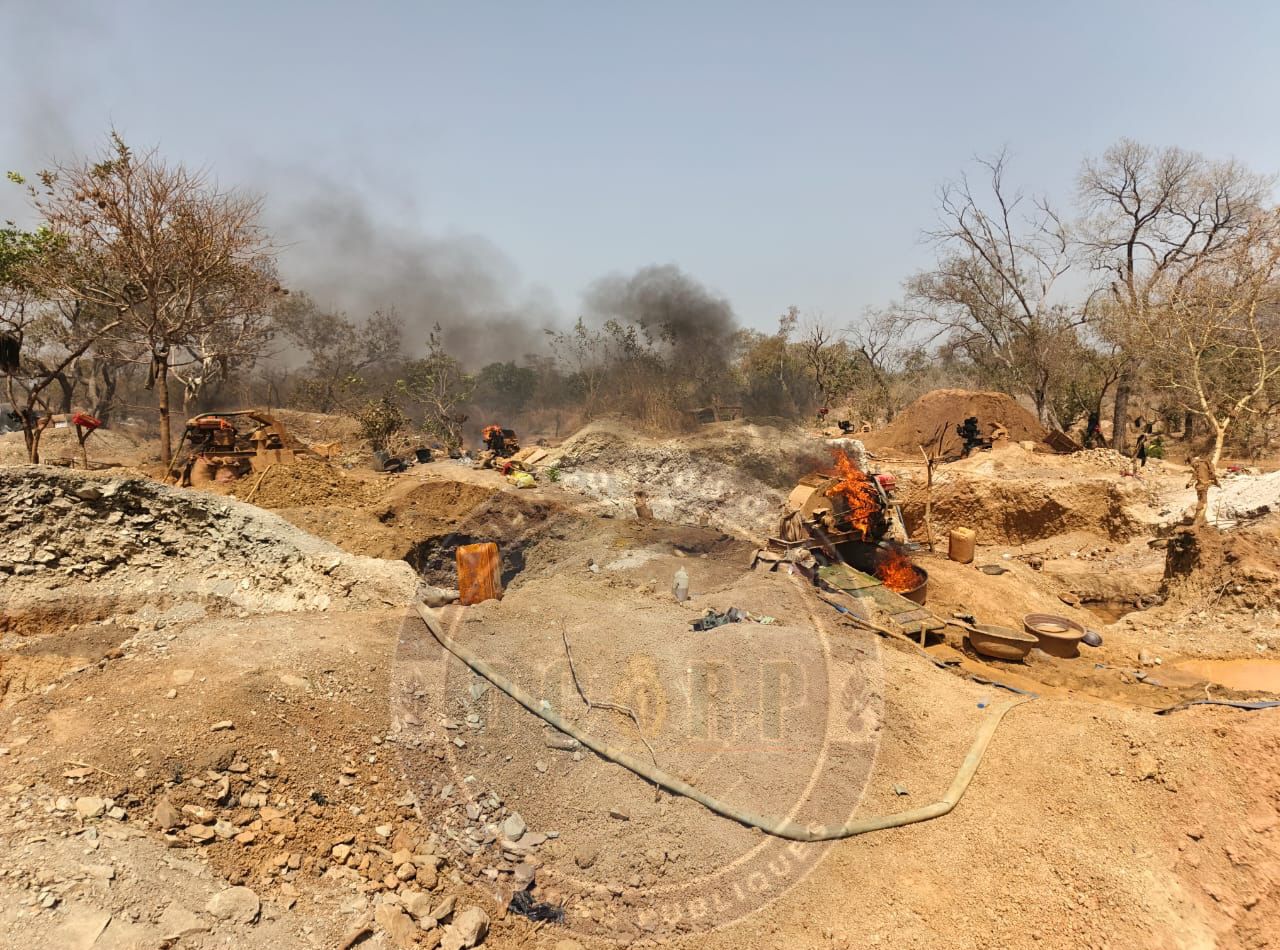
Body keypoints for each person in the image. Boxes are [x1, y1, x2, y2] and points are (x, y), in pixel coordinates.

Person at [1188, 455, 1220, 525]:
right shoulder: (1207, 464)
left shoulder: (1199, 465)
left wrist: (1189, 484)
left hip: (1201, 486)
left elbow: (1195, 475)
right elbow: (1212, 475)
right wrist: (1217, 483)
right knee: (1203, 502)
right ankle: (1201, 519)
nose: (1192, 466)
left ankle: (1199, 520)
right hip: (1205, 486)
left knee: (1202, 502)